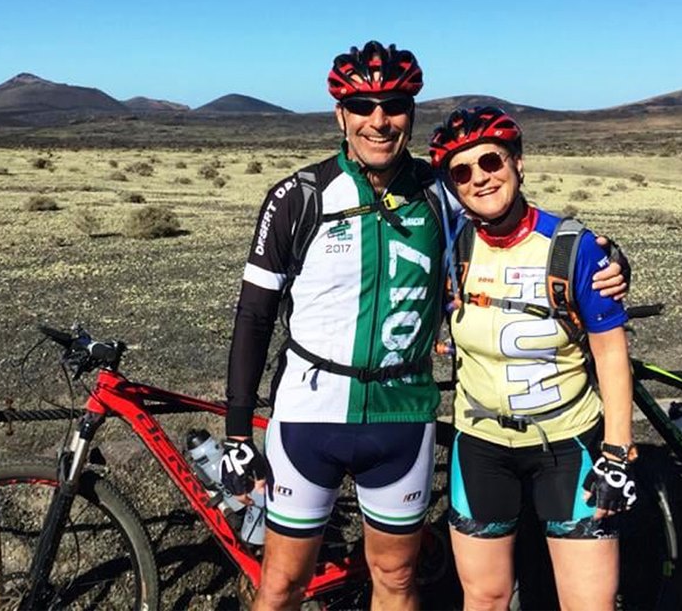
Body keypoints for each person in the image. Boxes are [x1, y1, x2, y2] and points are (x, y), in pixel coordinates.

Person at [219, 42, 628, 611]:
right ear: (341, 114)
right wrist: (238, 430)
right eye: (362, 105)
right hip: (309, 414)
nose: (378, 119)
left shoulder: (440, 190)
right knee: (282, 585)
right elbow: (254, 314)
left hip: (404, 418)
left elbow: (510, 221)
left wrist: (604, 258)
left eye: (394, 104)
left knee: (397, 580)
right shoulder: (300, 197)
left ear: (412, 113)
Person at [428, 105, 636, 611]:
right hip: (480, 447)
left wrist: (617, 452)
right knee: (485, 598)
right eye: (462, 171)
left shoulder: (573, 247)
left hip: (569, 446)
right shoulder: (451, 248)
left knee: (589, 604)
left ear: (518, 163)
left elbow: (611, 354)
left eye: (492, 162)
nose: (480, 178)